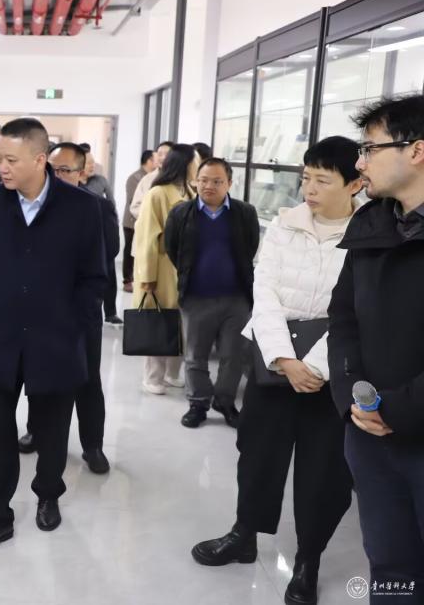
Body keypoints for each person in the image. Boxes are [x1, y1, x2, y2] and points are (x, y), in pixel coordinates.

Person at [191, 136, 361, 605]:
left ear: (355, 184)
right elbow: (262, 292)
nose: (310, 189)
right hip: (274, 363)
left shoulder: (368, 233)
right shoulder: (286, 224)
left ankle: (309, 560)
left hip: (332, 370)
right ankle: (244, 534)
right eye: (306, 178)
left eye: (323, 180)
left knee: (323, 471)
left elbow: (359, 311)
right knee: (257, 455)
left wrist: (314, 367)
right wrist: (284, 359)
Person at [0, 118, 106, 558]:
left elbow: (94, 278)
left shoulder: (82, 207)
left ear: (40, 159)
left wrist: (71, 324)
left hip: (56, 341)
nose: (0, 167)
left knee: (52, 430)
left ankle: (48, 494)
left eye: (10, 159)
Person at [329, 94, 424, 600]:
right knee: (390, 567)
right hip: (370, 436)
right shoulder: (372, 222)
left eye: (369, 149)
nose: (360, 163)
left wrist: (396, 410)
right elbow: (344, 317)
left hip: (414, 429)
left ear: (417, 150)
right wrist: (354, 398)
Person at [16, 142, 117, 474]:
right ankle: (36, 430)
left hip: (80, 312)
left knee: (87, 379)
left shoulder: (97, 206)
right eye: (52, 169)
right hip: (40, 312)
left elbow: (108, 255)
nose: (57, 175)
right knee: (39, 373)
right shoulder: (34, 204)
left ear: (82, 172)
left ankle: (93, 446)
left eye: (65, 170)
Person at [164, 158, 259, 428]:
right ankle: (198, 403)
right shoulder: (181, 213)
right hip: (196, 298)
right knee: (195, 355)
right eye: (203, 180)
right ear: (196, 181)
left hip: (236, 299)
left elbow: (250, 247)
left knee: (234, 355)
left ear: (229, 183)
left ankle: (225, 401)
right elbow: (173, 249)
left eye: (217, 181)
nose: (209, 186)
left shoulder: (245, 213)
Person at [132, 143, 197, 395]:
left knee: (179, 324)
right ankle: (152, 377)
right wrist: (148, 277)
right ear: (184, 163)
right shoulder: (157, 193)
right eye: (195, 161)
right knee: (158, 323)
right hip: (161, 269)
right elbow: (147, 237)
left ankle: (172, 373)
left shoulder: (190, 191)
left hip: (183, 268)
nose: (197, 165)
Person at [81, 148, 123, 325]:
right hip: (86, 235)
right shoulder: (75, 185)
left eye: (93, 162)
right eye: (88, 163)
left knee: (110, 275)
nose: (92, 166)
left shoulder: (100, 180)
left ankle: (111, 312)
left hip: (104, 233)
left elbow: (111, 203)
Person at [123, 150, 156, 294]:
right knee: (129, 251)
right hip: (131, 221)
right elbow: (133, 201)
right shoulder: (135, 178)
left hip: (145, 222)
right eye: (157, 158)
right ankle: (127, 280)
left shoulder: (154, 177)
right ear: (149, 161)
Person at [129, 140, 174, 221]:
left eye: (167, 154)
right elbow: (135, 206)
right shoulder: (147, 179)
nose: (163, 158)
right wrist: (152, 219)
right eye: (160, 154)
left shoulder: (181, 179)